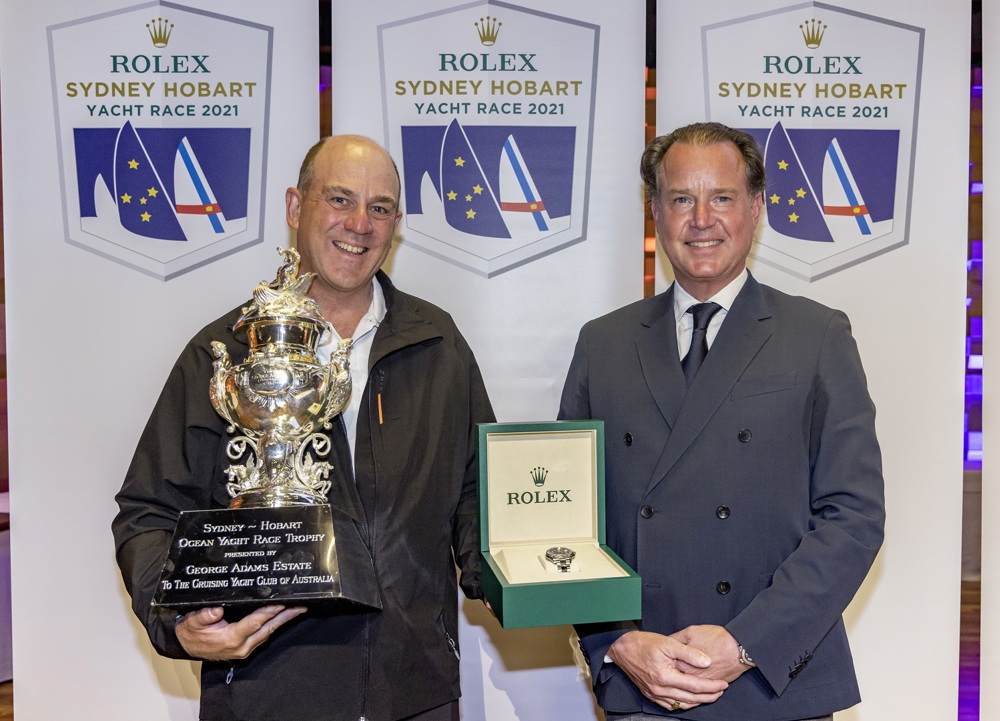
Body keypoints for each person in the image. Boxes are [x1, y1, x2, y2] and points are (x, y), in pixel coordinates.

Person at [113, 135, 495, 721]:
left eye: (380, 207)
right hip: (270, 691)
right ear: (296, 207)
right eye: (339, 199)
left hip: (416, 690)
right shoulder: (228, 351)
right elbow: (148, 509)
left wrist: (510, 572)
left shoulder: (437, 343)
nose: (359, 224)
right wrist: (174, 621)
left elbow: (479, 494)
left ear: (397, 222)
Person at [559, 122, 885, 720]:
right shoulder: (602, 343)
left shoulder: (818, 336)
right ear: (655, 210)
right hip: (646, 683)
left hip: (775, 685)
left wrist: (745, 643)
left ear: (756, 208)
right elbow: (571, 522)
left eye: (723, 198)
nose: (701, 219)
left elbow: (853, 518)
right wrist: (617, 643)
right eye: (682, 198)